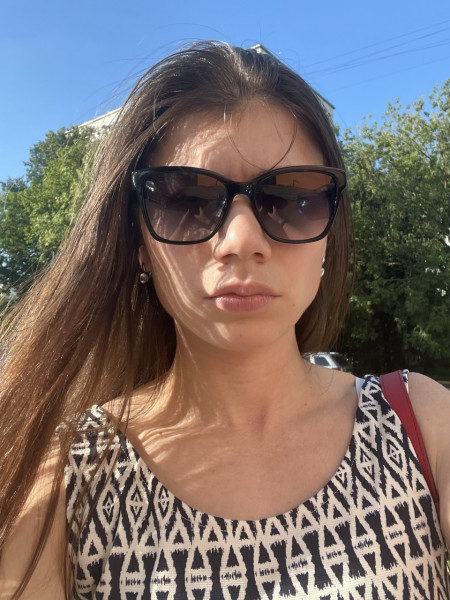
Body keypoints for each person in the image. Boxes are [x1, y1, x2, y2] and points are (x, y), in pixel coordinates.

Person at [0, 41, 449, 600]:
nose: (241, 240)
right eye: (186, 200)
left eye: (292, 198)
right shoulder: (62, 476)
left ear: (329, 235)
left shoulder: (421, 425)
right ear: (138, 244)